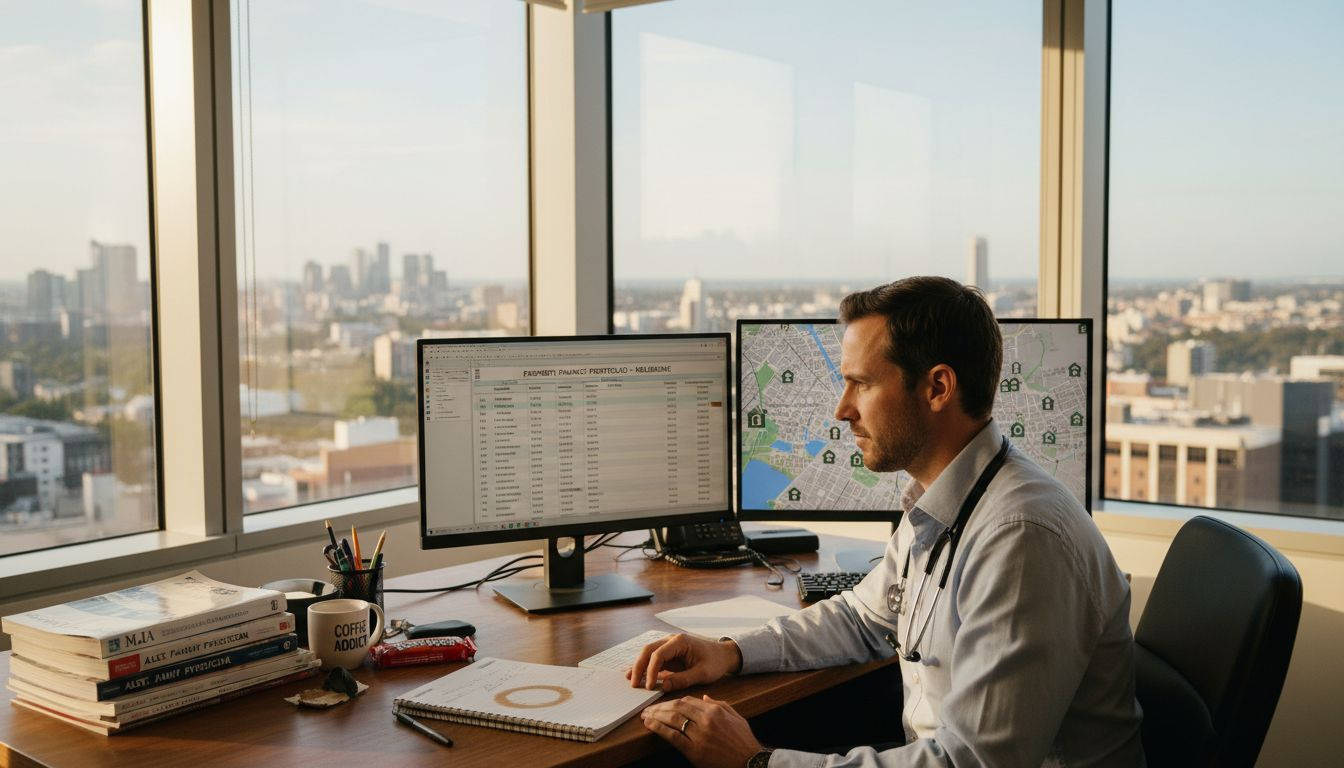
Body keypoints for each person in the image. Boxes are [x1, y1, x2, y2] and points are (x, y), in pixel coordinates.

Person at [631, 277, 1144, 767]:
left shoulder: (1020, 536)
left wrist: (756, 762)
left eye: (861, 384)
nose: (841, 410)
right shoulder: (945, 499)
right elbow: (863, 617)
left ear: (938, 387)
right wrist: (730, 653)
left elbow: (974, 764)